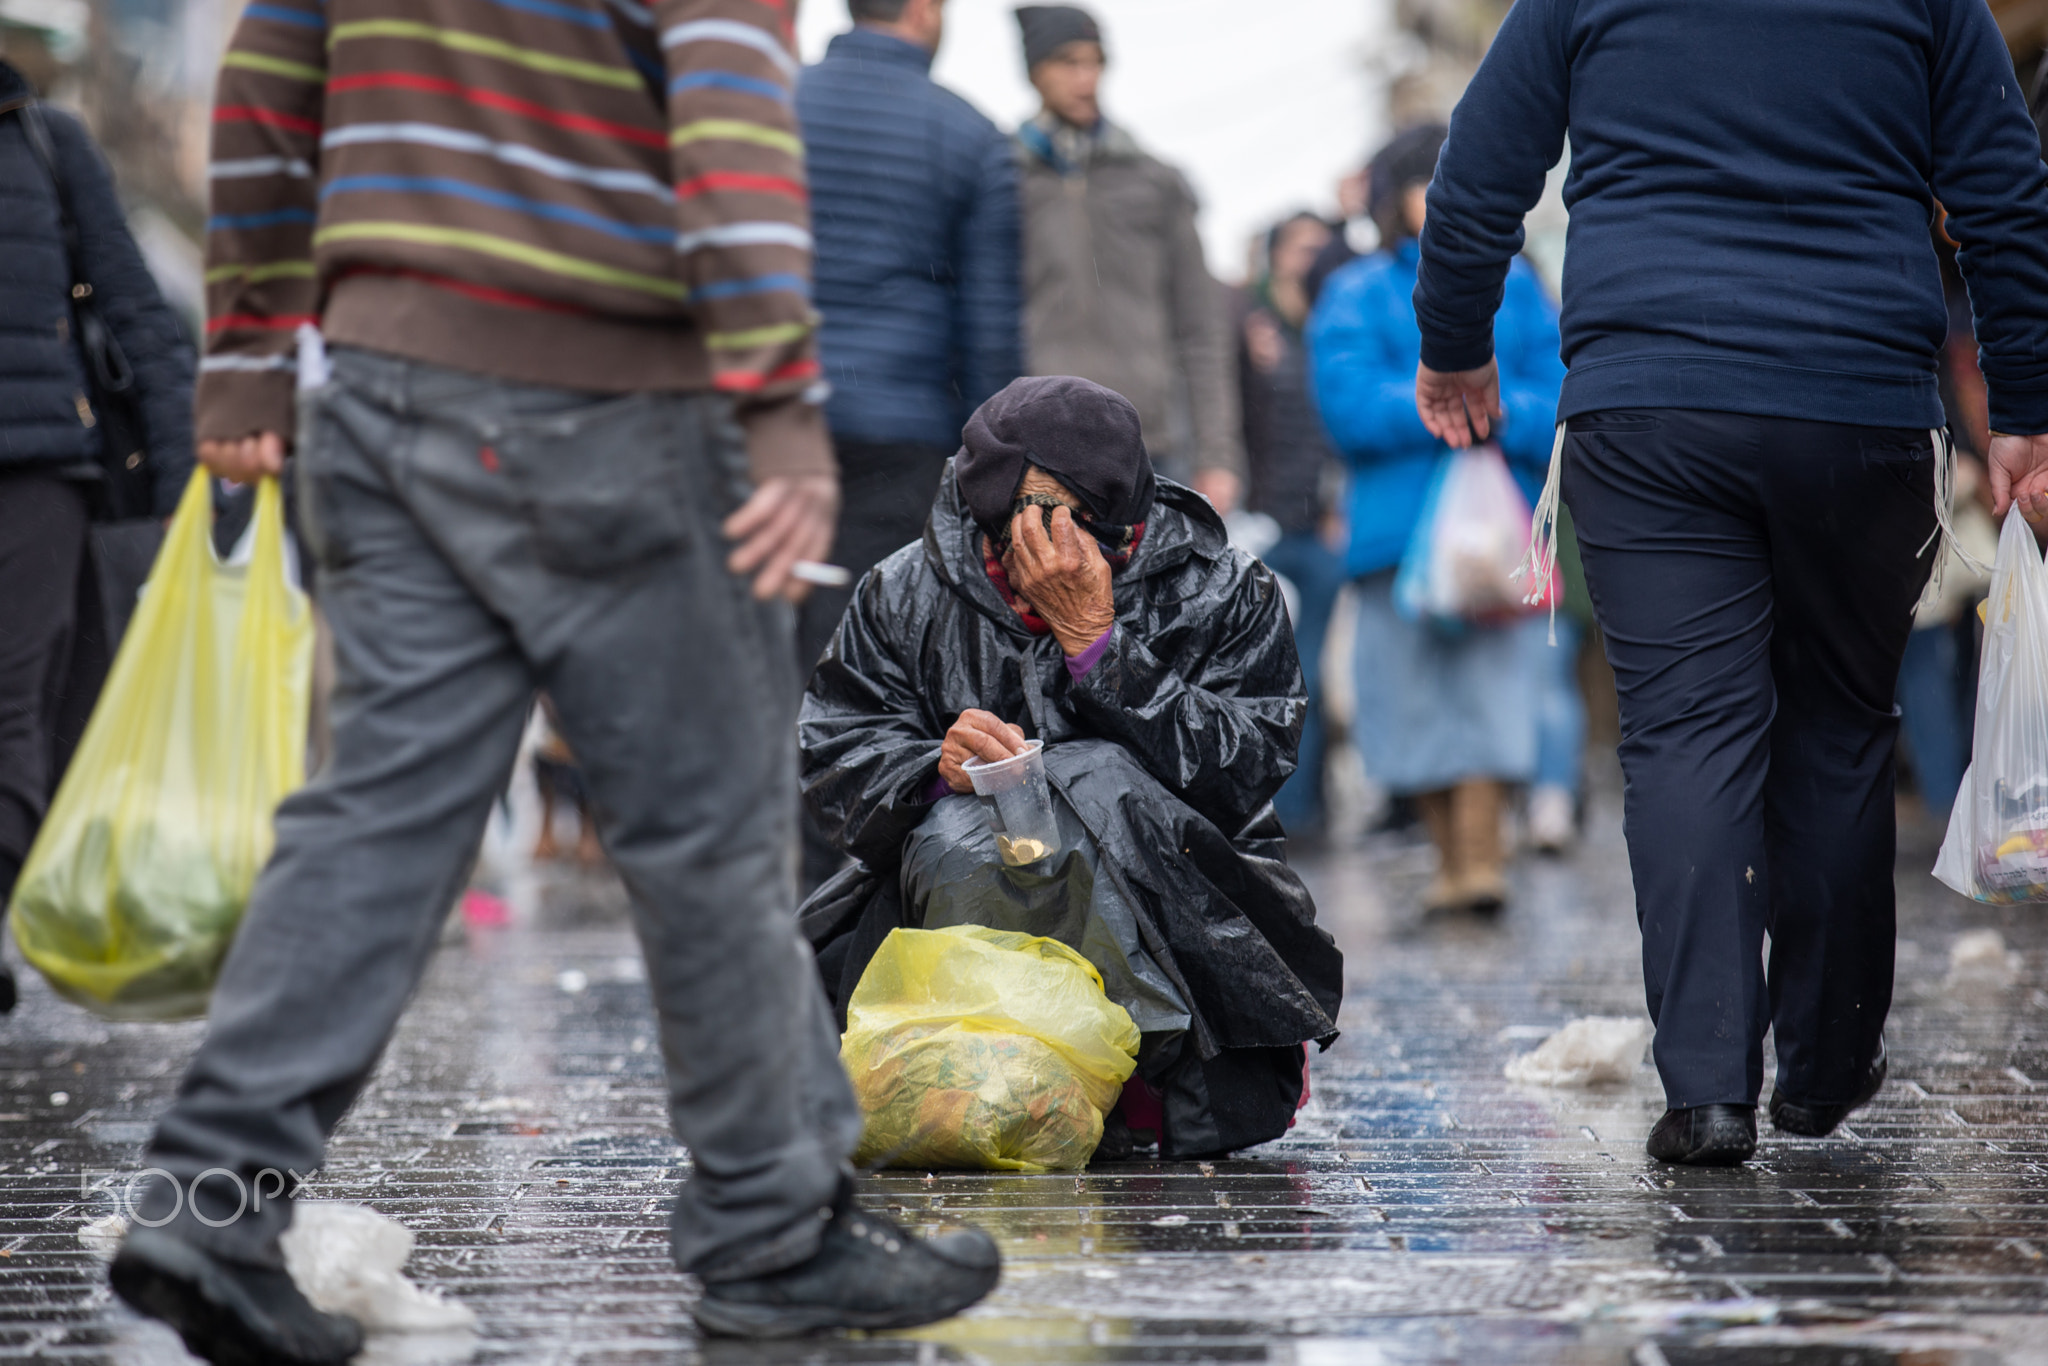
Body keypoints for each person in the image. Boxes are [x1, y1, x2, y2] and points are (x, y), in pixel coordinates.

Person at [108, 2, 1000, 1359]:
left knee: (382, 808)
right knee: (704, 834)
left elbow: (270, 79)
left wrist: (242, 353)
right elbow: (725, 102)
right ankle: (772, 1229)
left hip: (387, 383)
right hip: (617, 398)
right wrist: (776, 404)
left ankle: (211, 1193)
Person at [1409, 0, 2048, 1166]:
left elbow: (1480, 165)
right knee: (1839, 725)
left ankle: (1705, 1086)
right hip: (1854, 400)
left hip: (1649, 402)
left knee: (1684, 736)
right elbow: (2006, 198)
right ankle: (1821, 1057)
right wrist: (2026, 410)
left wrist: (1453, 340)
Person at [798, 376, 1342, 1160]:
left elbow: (1247, 769)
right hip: (951, 910)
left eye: (1068, 523)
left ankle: (1152, 1076)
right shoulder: (902, 591)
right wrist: (932, 768)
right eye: (1018, 531)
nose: (1041, 555)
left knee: (1095, 784)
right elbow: (835, 754)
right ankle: (977, 1066)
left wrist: (1098, 647)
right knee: (963, 829)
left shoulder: (1226, 589)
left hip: (1169, 898)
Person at [1307, 123, 1564, 913]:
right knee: (1406, 701)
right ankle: (1452, 865)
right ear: (1394, 199)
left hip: (1492, 536)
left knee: (1492, 693)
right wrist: (1456, 404)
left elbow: (1557, 390)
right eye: (1423, 183)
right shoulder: (1355, 292)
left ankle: (1479, 861)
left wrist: (1480, 408)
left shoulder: (1519, 286)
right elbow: (1346, 403)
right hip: (1394, 533)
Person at [794, 0, 1022, 886]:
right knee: (867, 657)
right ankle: (844, 871)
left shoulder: (774, 105)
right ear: (926, 11)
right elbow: (991, 332)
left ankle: (766, 868)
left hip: (767, 424)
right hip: (900, 432)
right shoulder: (968, 135)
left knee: (765, 652)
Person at [0, 45, 194, 1017]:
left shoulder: (47, 140)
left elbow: (132, 306)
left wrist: (183, 472)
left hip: (39, 469)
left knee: (19, 711)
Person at [1010, 5, 1245, 512]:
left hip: (1150, 444)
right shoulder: (1007, 181)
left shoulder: (1155, 181)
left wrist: (1218, 455)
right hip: (1038, 445)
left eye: (1095, 62)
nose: (1086, 78)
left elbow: (1201, 328)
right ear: (1034, 72)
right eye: (1068, 62)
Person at [1238, 212, 1347, 842]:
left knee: (1316, 677)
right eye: (1300, 247)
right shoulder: (1249, 328)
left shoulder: (1329, 327)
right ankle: (1278, 815)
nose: (1312, 258)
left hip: (1321, 530)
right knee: (1269, 681)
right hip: (1264, 528)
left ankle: (1310, 814)